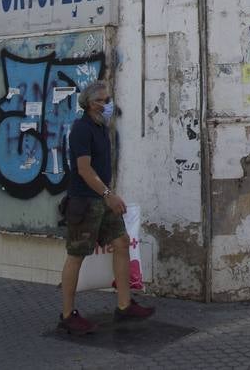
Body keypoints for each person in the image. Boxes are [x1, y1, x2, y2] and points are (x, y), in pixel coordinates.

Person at [57, 80, 154, 336]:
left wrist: (107, 195)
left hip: (102, 199)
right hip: (84, 202)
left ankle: (124, 305)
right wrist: (109, 194)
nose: (106, 104)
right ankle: (67, 315)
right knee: (76, 255)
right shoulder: (82, 129)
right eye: (101, 100)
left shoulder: (101, 128)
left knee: (121, 242)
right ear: (89, 103)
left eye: (108, 100)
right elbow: (84, 169)